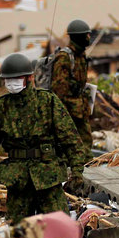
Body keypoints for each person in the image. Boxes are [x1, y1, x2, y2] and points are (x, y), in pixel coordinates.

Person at [0, 53, 89, 225]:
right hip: (18, 181)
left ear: (29, 77)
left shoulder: (47, 101)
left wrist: (77, 171)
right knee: (19, 231)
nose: (11, 82)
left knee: (60, 227)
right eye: (8, 79)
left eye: (16, 78)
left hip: (48, 176)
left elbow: (70, 138)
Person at [51, 19, 93, 148]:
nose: (88, 38)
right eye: (86, 35)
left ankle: (85, 166)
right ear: (78, 36)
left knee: (86, 142)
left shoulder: (81, 56)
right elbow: (58, 88)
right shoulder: (64, 57)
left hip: (80, 108)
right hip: (68, 110)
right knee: (66, 144)